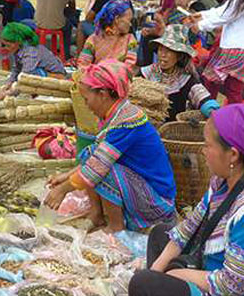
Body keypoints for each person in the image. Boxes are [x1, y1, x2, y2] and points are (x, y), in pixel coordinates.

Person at [44, 60, 177, 233]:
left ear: (103, 94)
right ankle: (96, 214)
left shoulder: (127, 122)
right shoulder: (115, 115)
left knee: (101, 168)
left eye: (86, 99)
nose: (86, 104)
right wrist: (66, 176)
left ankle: (116, 226)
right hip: (141, 187)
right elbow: (95, 156)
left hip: (157, 202)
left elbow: (97, 166)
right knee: (89, 154)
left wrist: (63, 190)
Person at [129, 104, 244, 296]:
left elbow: (231, 285)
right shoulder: (221, 182)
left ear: (232, 154)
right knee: (160, 234)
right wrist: (157, 270)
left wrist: (179, 274)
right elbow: (188, 228)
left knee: (143, 283)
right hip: (206, 264)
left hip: (224, 288)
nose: (203, 151)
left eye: (207, 145)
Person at [141, 24, 219, 121]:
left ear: (179, 56)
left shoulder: (185, 79)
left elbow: (200, 96)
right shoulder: (146, 73)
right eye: (161, 49)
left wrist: (211, 110)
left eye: (169, 51)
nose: (163, 55)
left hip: (171, 131)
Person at [0, 22, 66, 101]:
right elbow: (16, 69)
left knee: (28, 76)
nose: (7, 48)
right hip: (39, 73)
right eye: (5, 45)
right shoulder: (18, 49)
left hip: (55, 78)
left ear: (18, 42)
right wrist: (8, 84)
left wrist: (5, 94)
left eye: (8, 45)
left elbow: (24, 78)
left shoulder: (30, 52)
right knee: (17, 78)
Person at [188, 0, 244, 104]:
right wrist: (203, 15)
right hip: (238, 49)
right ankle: (236, 116)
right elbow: (223, 10)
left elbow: (226, 15)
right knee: (234, 88)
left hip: (233, 48)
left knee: (211, 81)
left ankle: (207, 109)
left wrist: (201, 25)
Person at [77, 0, 138, 71]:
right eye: (129, 20)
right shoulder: (93, 39)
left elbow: (129, 66)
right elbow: (83, 64)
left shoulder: (130, 40)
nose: (130, 24)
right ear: (117, 19)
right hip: (97, 78)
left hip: (119, 79)